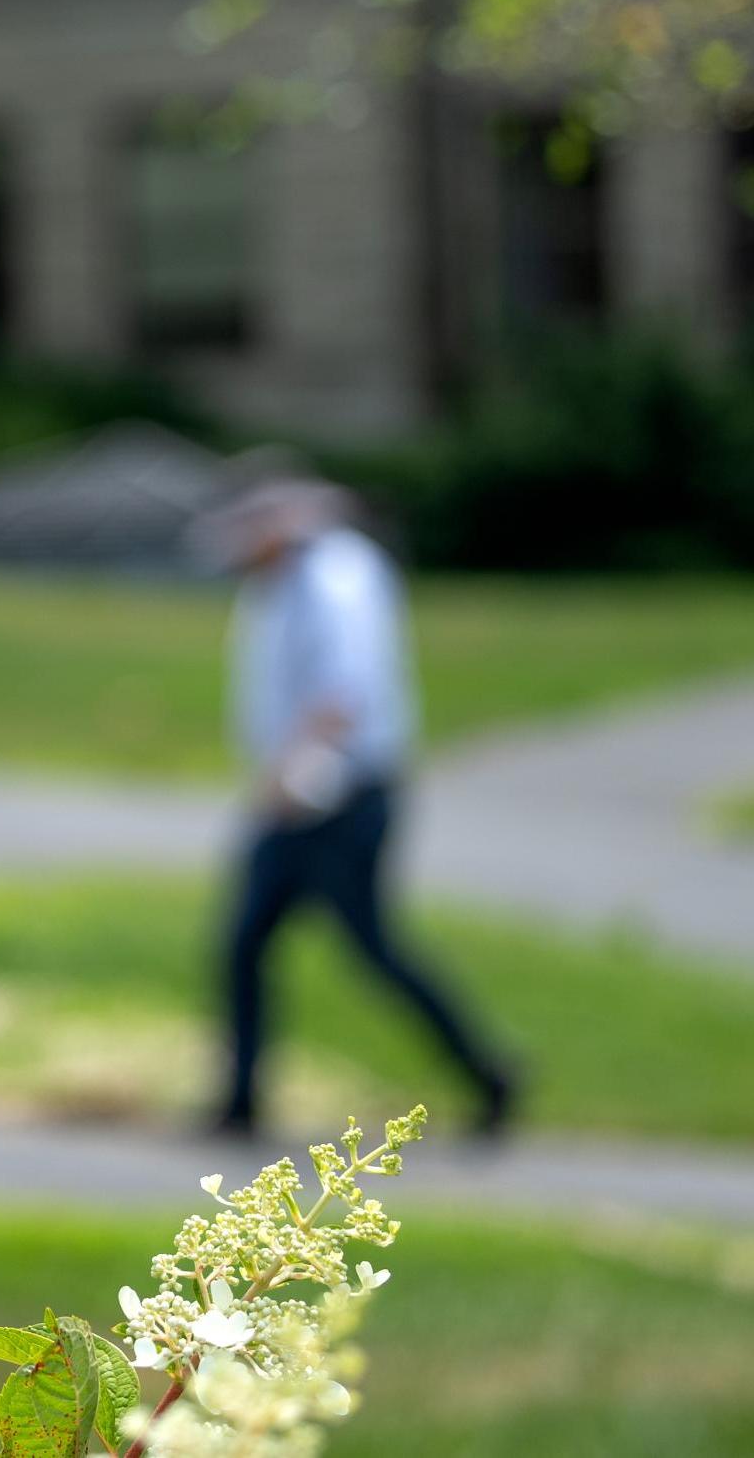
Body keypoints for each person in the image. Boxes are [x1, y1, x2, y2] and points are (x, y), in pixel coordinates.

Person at [194, 471, 515, 1137]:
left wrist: (287, 773)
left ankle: (490, 1072)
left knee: (371, 947)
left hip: (337, 796)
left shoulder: (334, 577)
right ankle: (240, 1101)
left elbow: (345, 691)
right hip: (293, 798)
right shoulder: (279, 586)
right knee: (245, 942)